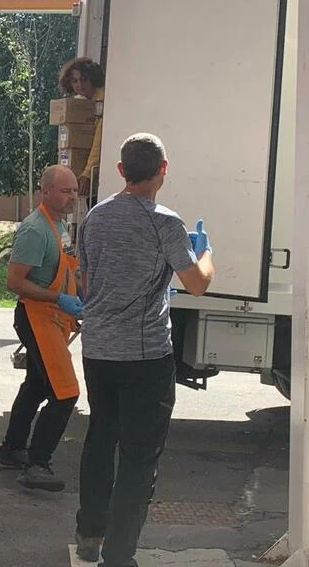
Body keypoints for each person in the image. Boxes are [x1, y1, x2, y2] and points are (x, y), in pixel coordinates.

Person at [74, 134, 215, 567]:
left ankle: (89, 534)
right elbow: (196, 283)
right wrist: (206, 253)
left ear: (121, 170)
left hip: (98, 350)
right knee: (138, 458)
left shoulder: (95, 217)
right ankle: (119, 556)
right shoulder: (165, 222)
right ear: (163, 169)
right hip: (145, 356)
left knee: (101, 439)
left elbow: (85, 282)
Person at [0, 165, 83, 492]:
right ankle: (37, 464)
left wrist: (78, 297)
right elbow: (14, 282)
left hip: (54, 316)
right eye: (65, 190)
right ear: (45, 192)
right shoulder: (34, 230)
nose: (72, 197)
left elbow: (67, 269)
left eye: (74, 190)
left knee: (36, 384)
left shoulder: (59, 225)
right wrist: (59, 299)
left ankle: (12, 449)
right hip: (36, 318)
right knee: (65, 392)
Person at [59, 57, 106, 198]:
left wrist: (87, 172)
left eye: (84, 79)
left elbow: (99, 139)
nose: (79, 85)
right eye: (75, 81)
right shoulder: (84, 102)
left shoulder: (101, 100)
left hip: (98, 171)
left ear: (93, 78)